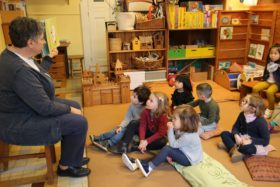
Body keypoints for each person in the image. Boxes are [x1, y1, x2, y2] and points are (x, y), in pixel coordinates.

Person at [0, 17, 90, 177]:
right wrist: (69, 110)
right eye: (42, 39)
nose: (44, 42)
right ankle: (66, 167)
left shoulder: (13, 54)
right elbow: (45, 107)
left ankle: (71, 157)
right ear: (30, 43)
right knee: (78, 121)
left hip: (27, 107)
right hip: (20, 121)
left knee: (75, 105)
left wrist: (48, 59)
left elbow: (35, 76)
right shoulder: (18, 70)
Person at [122, 105, 203, 177]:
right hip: (183, 150)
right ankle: (137, 163)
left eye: (175, 118)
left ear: (184, 121)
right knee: (163, 154)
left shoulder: (188, 136)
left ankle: (148, 168)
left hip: (189, 159)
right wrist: (170, 154)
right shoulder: (182, 128)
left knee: (167, 149)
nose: (172, 120)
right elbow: (175, 141)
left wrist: (170, 129)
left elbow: (173, 144)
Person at [89, 85, 151, 151]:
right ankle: (100, 137)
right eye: (132, 95)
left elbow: (144, 126)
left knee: (123, 131)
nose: (131, 97)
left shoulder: (146, 109)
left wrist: (125, 127)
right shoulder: (131, 106)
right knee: (118, 129)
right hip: (131, 126)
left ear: (141, 102)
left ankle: (109, 143)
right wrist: (121, 126)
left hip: (140, 131)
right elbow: (127, 118)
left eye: (134, 97)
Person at [220, 94, 270, 163]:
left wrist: (250, 141)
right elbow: (235, 127)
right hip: (241, 138)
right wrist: (236, 135)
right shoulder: (242, 114)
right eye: (243, 100)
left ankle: (231, 146)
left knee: (246, 148)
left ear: (253, 109)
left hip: (253, 143)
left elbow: (265, 141)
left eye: (245, 102)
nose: (242, 102)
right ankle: (234, 149)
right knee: (224, 133)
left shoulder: (261, 122)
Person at [252, 43, 280, 118]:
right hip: (268, 81)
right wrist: (263, 79)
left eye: (275, 53)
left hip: (277, 84)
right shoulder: (269, 62)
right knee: (255, 88)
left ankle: (271, 108)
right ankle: (258, 105)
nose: (273, 55)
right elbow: (266, 72)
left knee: (269, 92)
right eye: (271, 53)